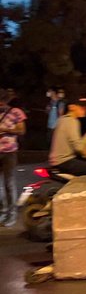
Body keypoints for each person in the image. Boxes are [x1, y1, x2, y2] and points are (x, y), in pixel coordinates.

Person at [48, 98, 86, 176]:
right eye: (82, 107)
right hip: (65, 161)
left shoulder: (62, 119)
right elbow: (79, 147)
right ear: (71, 107)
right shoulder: (72, 121)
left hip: (57, 160)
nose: (85, 110)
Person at [0, 89, 27, 227]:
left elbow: (22, 130)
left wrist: (6, 130)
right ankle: (3, 212)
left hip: (9, 152)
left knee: (8, 183)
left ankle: (12, 214)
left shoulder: (16, 112)